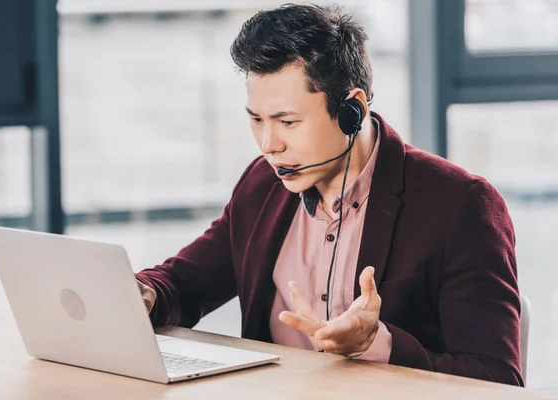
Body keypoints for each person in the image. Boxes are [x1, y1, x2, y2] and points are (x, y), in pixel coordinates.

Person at [135, 3, 522, 386]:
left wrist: (377, 342)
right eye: (256, 120)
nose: (269, 145)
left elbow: (497, 379)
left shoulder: (461, 205)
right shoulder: (262, 184)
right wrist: (145, 293)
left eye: (288, 122)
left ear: (352, 110)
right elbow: (185, 282)